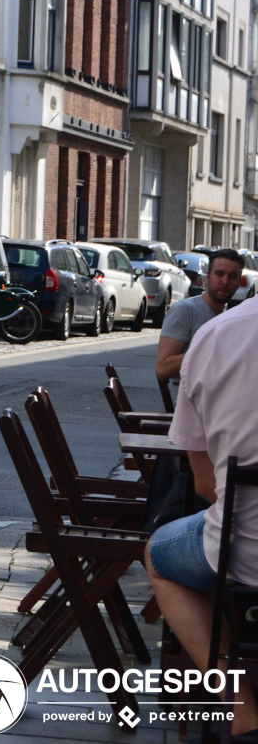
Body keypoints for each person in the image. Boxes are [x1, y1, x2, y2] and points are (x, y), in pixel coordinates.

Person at [145, 292, 258, 740]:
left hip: (242, 554)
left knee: (159, 553)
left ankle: (242, 711)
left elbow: (206, 485)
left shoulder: (213, 338)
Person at [155, 248, 244, 381]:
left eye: (232, 276)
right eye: (219, 274)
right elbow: (163, 368)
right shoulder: (185, 310)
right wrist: (211, 352)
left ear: (238, 283)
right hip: (190, 399)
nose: (225, 282)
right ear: (207, 277)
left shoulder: (230, 318)